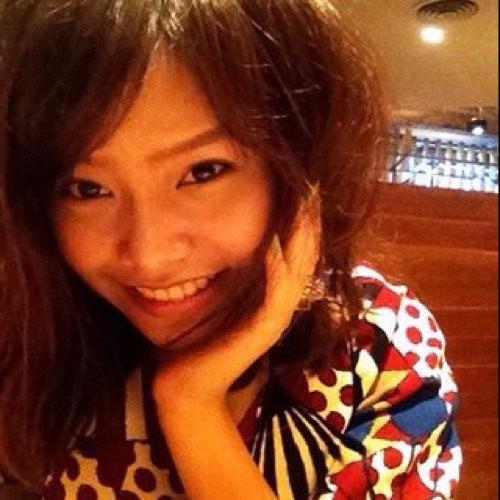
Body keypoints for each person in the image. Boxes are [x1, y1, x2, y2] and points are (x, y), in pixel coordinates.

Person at [0, 0, 462, 498]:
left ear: (300, 165)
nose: (149, 256)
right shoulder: (29, 337)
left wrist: (191, 404)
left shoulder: (374, 341)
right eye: (86, 188)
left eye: (203, 171)